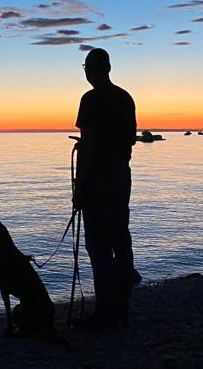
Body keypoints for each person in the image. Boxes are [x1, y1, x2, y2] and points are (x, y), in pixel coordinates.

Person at [73, 48, 138, 328]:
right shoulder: (125, 97)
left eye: (86, 67)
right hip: (122, 173)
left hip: (99, 176)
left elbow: (88, 143)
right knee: (120, 237)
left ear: (91, 69)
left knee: (98, 244)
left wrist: (80, 185)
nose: (86, 72)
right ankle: (121, 304)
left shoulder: (90, 99)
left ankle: (105, 311)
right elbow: (131, 140)